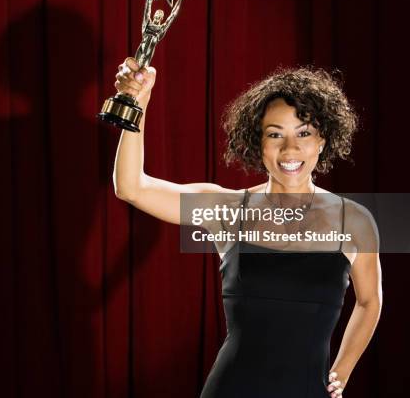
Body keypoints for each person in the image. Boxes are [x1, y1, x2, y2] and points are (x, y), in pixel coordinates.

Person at [112, 58, 383, 398]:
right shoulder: (226, 208)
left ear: (323, 140)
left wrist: (340, 373)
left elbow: (369, 301)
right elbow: (131, 187)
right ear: (259, 143)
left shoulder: (354, 221)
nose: (290, 149)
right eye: (275, 134)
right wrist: (139, 100)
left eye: (304, 133)